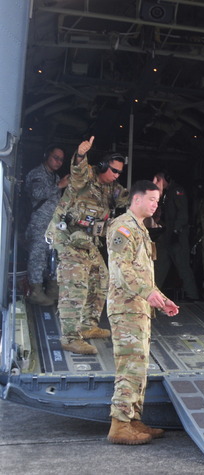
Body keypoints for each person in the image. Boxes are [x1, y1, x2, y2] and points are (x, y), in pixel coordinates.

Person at [106, 180, 179, 445]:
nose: (155, 204)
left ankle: (133, 420)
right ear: (136, 199)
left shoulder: (141, 230)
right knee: (129, 365)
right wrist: (147, 293)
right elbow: (121, 268)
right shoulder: (123, 227)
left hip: (138, 309)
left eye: (158, 201)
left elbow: (143, 274)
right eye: (152, 199)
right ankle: (119, 426)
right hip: (126, 308)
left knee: (138, 367)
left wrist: (161, 299)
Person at [45, 137, 129, 355]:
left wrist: (146, 195)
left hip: (88, 241)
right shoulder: (86, 176)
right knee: (75, 286)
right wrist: (81, 155)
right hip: (68, 236)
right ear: (102, 166)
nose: (116, 175)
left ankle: (88, 325)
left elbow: (127, 199)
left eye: (120, 172)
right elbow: (78, 170)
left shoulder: (111, 187)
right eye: (113, 170)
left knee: (101, 278)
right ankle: (70, 338)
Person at [24, 144, 69, 306]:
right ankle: (35, 291)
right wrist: (59, 186)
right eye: (55, 158)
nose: (58, 162)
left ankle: (52, 289)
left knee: (53, 256)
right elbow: (36, 193)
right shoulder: (37, 174)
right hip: (39, 222)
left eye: (61, 160)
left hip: (53, 224)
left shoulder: (55, 177)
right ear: (46, 156)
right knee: (37, 256)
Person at [152, 172, 201, 302]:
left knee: (183, 265)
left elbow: (183, 214)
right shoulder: (166, 194)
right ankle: (153, 293)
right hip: (168, 234)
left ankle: (192, 295)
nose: (155, 182)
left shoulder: (177, 191)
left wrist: (175, 230)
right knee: (160, 265)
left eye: (158, 179)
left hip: (178, 236)